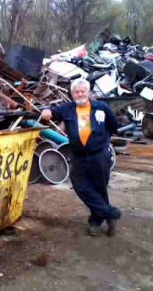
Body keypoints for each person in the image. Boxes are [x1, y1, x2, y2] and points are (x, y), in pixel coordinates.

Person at [40, 78, 121, 236]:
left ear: (88, 93)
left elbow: (113, 127)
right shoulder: (68, 109)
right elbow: (52, 112)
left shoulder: (101, 107)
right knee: (80, 185)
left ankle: (95, 221)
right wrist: (46, 111)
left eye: (82, 91)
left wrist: (101, 141)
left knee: (99, 187)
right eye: (76, 92)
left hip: (99, 156)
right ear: (72, 94)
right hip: (78, 156)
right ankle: (109, 213)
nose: (79, 94)